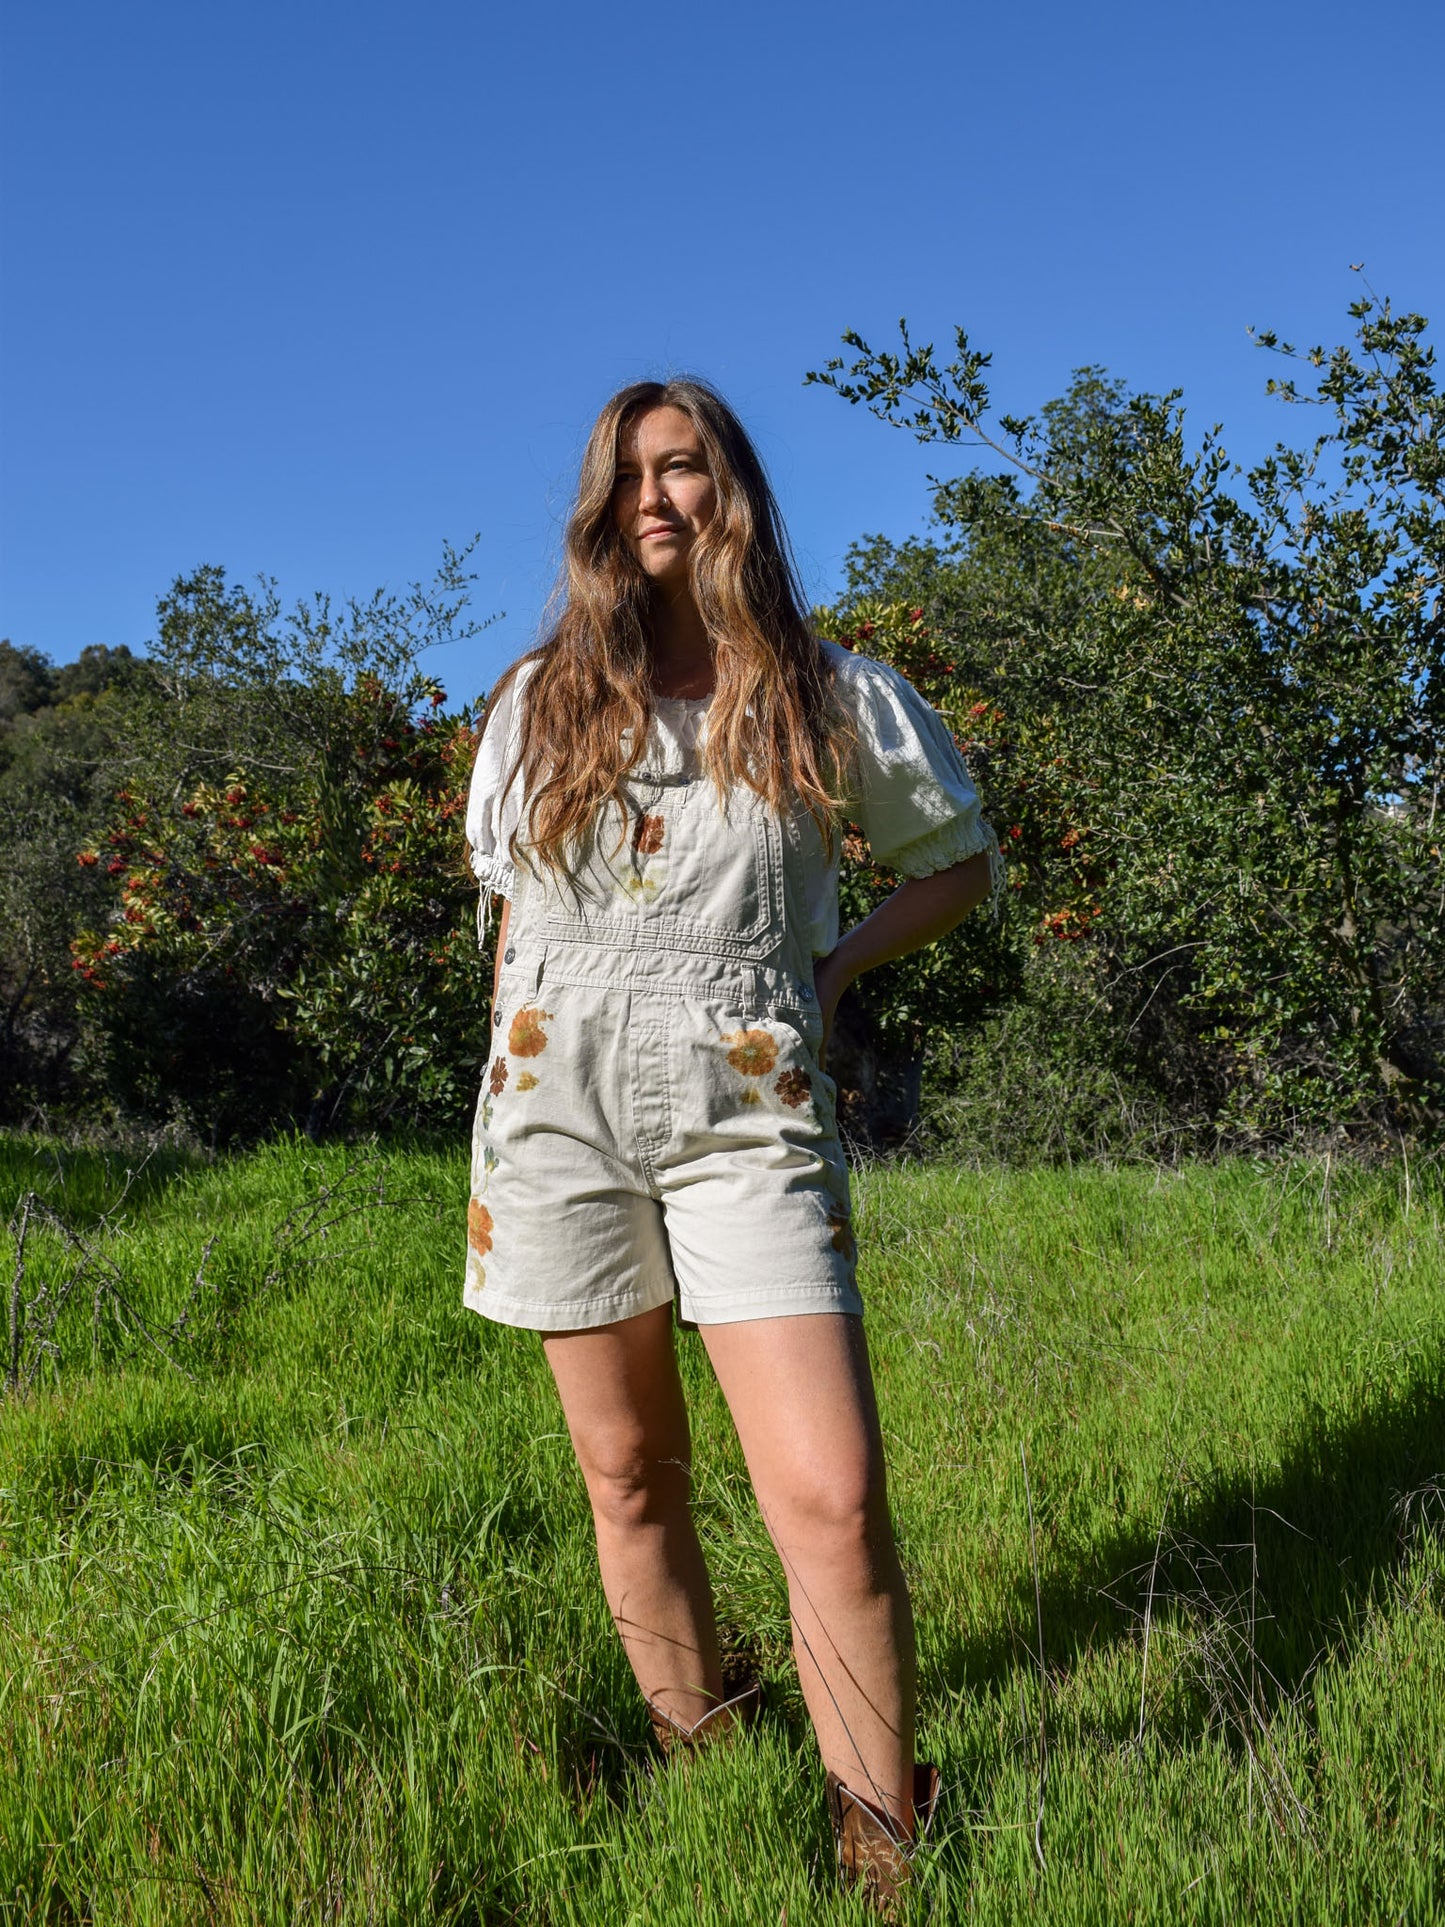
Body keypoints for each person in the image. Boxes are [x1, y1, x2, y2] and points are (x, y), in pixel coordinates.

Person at [463, 378, 999, 1906]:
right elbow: (515, 925)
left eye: (680, 466)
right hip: (552, 1101)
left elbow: (954, 865)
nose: (650, 496)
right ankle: (704, 1751)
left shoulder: (830, 695)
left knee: (826, 1487)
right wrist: (511, 1094)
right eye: (623, 474)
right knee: (627, 1468)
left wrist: (824, 977)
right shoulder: (536, 698)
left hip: (745, 1105)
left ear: (730, 493)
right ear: (596, 510)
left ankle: (880, 1826)